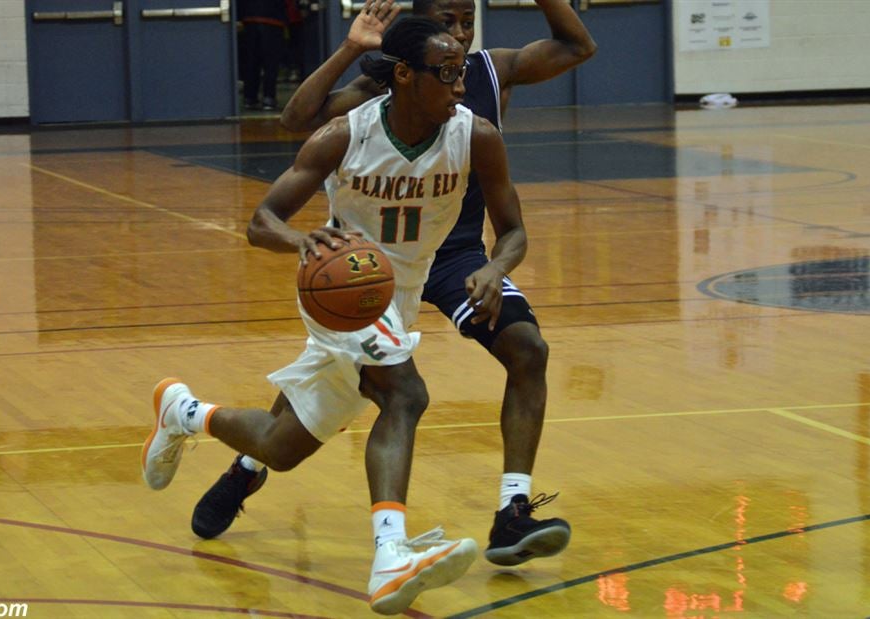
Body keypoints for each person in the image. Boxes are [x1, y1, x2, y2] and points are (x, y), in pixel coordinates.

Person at [143, 17, 529, 615]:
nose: (460, 87)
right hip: (340, 287)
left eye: (461, 74)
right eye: (447, 75)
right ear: (404, 75)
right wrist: (300, 244)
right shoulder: (344, 135)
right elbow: (260, 221)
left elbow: (515, 233)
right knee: (405, 396)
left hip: (399, 297)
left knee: (282, 445)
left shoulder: (477, 136)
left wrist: (493, 268)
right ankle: (391, 557)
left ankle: (185, 412)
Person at [192, 0, 596, 568]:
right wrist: (354, 47)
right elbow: (295, 120)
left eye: (466, 21)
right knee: (390, 388)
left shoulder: (480, 76)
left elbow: (578, 48)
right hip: (368, 264)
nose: (459, 32)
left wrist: (496, 267)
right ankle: (262, 473)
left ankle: (511, 513)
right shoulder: (382, 91)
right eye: (446, 22)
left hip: (453, 258)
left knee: (527, 347)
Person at [236, 0, 286, 110]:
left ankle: (249, 97)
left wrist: (239, 17)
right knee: (270, 63)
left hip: (249, 18)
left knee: (251, 61)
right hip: (274, 18)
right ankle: (268, 97)